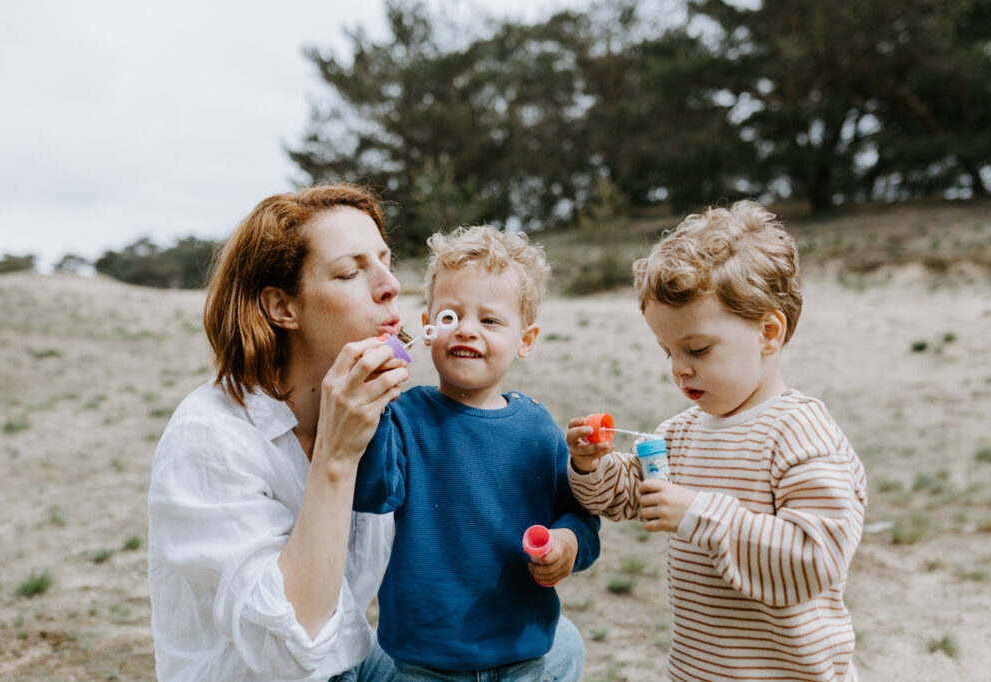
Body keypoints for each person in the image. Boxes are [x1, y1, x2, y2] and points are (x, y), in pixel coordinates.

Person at [566, 200, 868, 681]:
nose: (679, 368)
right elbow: (626, 498)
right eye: (668, 351)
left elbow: (816, 559)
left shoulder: (800, 433)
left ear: (768, 332)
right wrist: (590, 465)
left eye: (698, 349)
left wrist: (695, 513)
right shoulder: (679, 432)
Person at [147, 184, 411, 681]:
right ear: (283, 308)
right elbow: (291, 653)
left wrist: (587, 476)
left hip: (351, 659)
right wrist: (336, 458)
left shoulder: (382, 414)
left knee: (551, 649)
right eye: (351, 272)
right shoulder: (207, 439)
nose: (389, 284)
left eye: (385, 260)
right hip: (270, 670)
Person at [352, 225, 601, 681]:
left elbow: (579, 515)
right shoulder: (405, 417)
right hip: (425, 661)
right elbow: (371, 493)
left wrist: (568, 543)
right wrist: (379, 403)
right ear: (427, 327)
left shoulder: (538, 428)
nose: (466, 329)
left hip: (523, 653)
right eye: (449, 317)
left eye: (489, 320)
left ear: (525, 340)